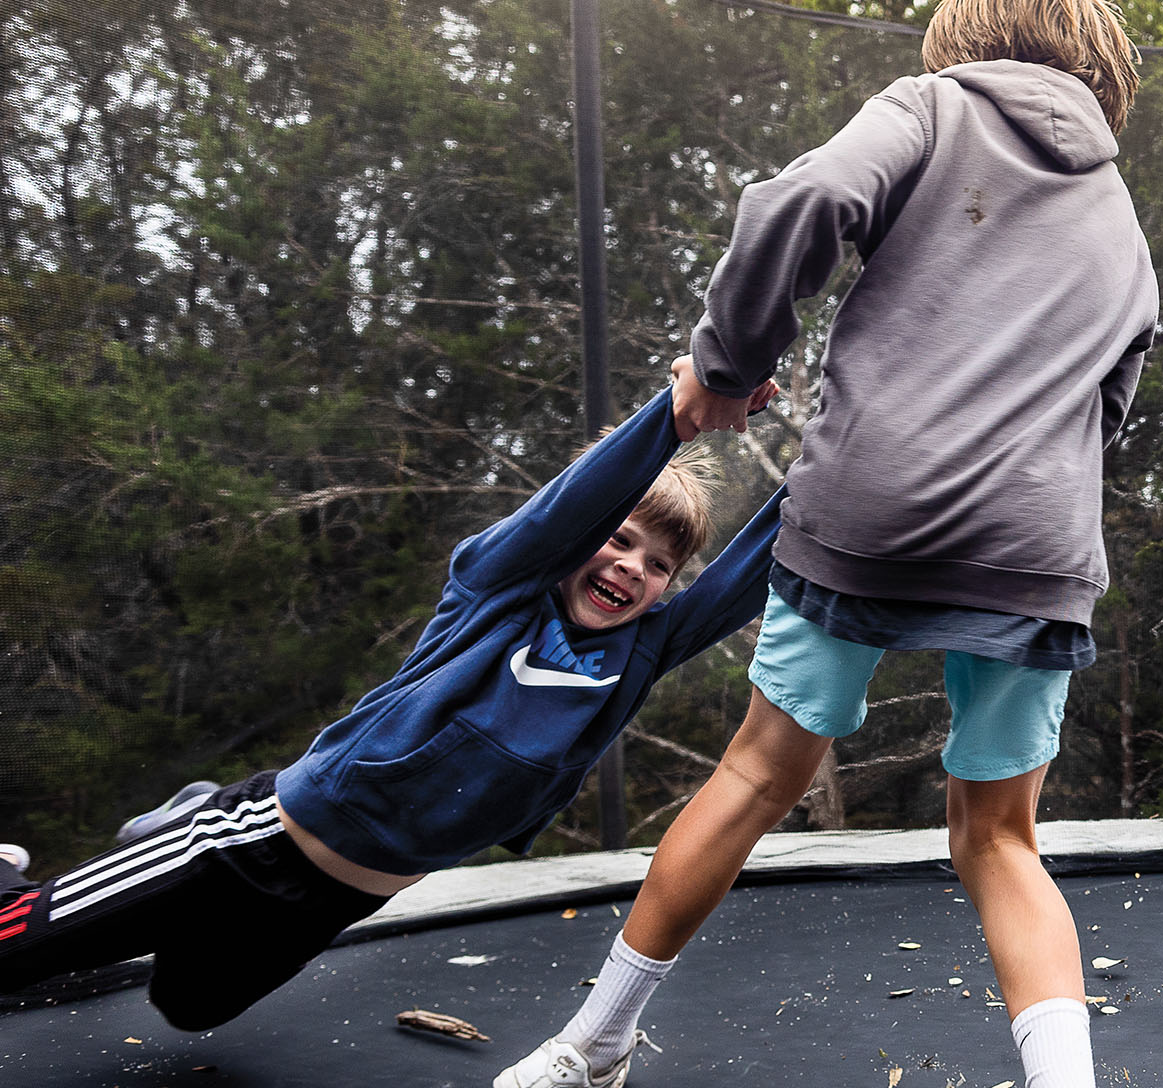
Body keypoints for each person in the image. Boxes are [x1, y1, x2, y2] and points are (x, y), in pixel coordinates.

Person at [494, 0, 1158, 1088]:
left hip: (874, 510)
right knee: (1001, 840)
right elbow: (1119, 374)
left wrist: (731, 366)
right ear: (1099, 75)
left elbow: (799, 200)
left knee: (752, 773)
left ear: (962, 36)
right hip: (1035, 541)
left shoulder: (927, 106)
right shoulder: (1110, 199)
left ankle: (585, 1047)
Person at [0, 362, 783, 1030]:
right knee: (15, 945)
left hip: (337, 899)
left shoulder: (639, 653)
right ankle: (111, 854)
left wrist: (847, 477)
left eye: (657, 565)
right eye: (618, 540)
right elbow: (563, 513)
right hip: (247, 844)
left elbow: (746, 576)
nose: (631, 569)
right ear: (580, 537)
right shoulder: (498, 592)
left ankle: (142, 862)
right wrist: (675, 418)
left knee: (190, 1006)